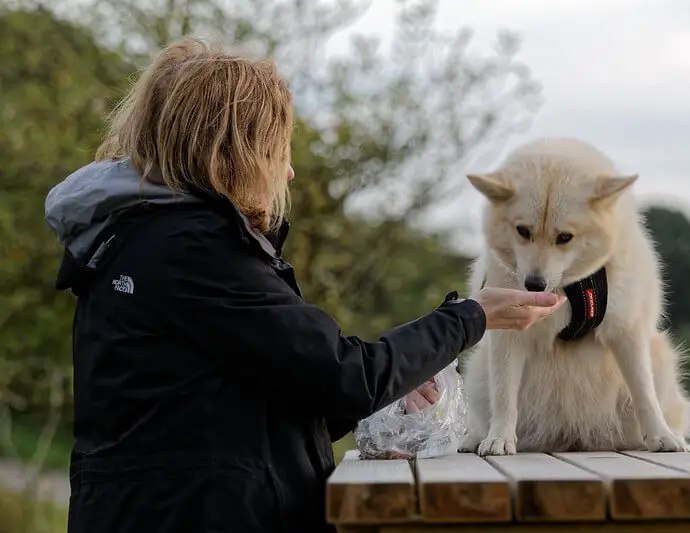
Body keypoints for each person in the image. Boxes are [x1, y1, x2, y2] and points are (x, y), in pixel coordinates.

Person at [44, 37, 566, 533]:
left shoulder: (147, 240)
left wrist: (395, 392)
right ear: (233, 150)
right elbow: (344, 375)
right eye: (277, 149)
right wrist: (472, 316)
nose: (288, 172)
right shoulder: (193, 251)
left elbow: (282, 396)